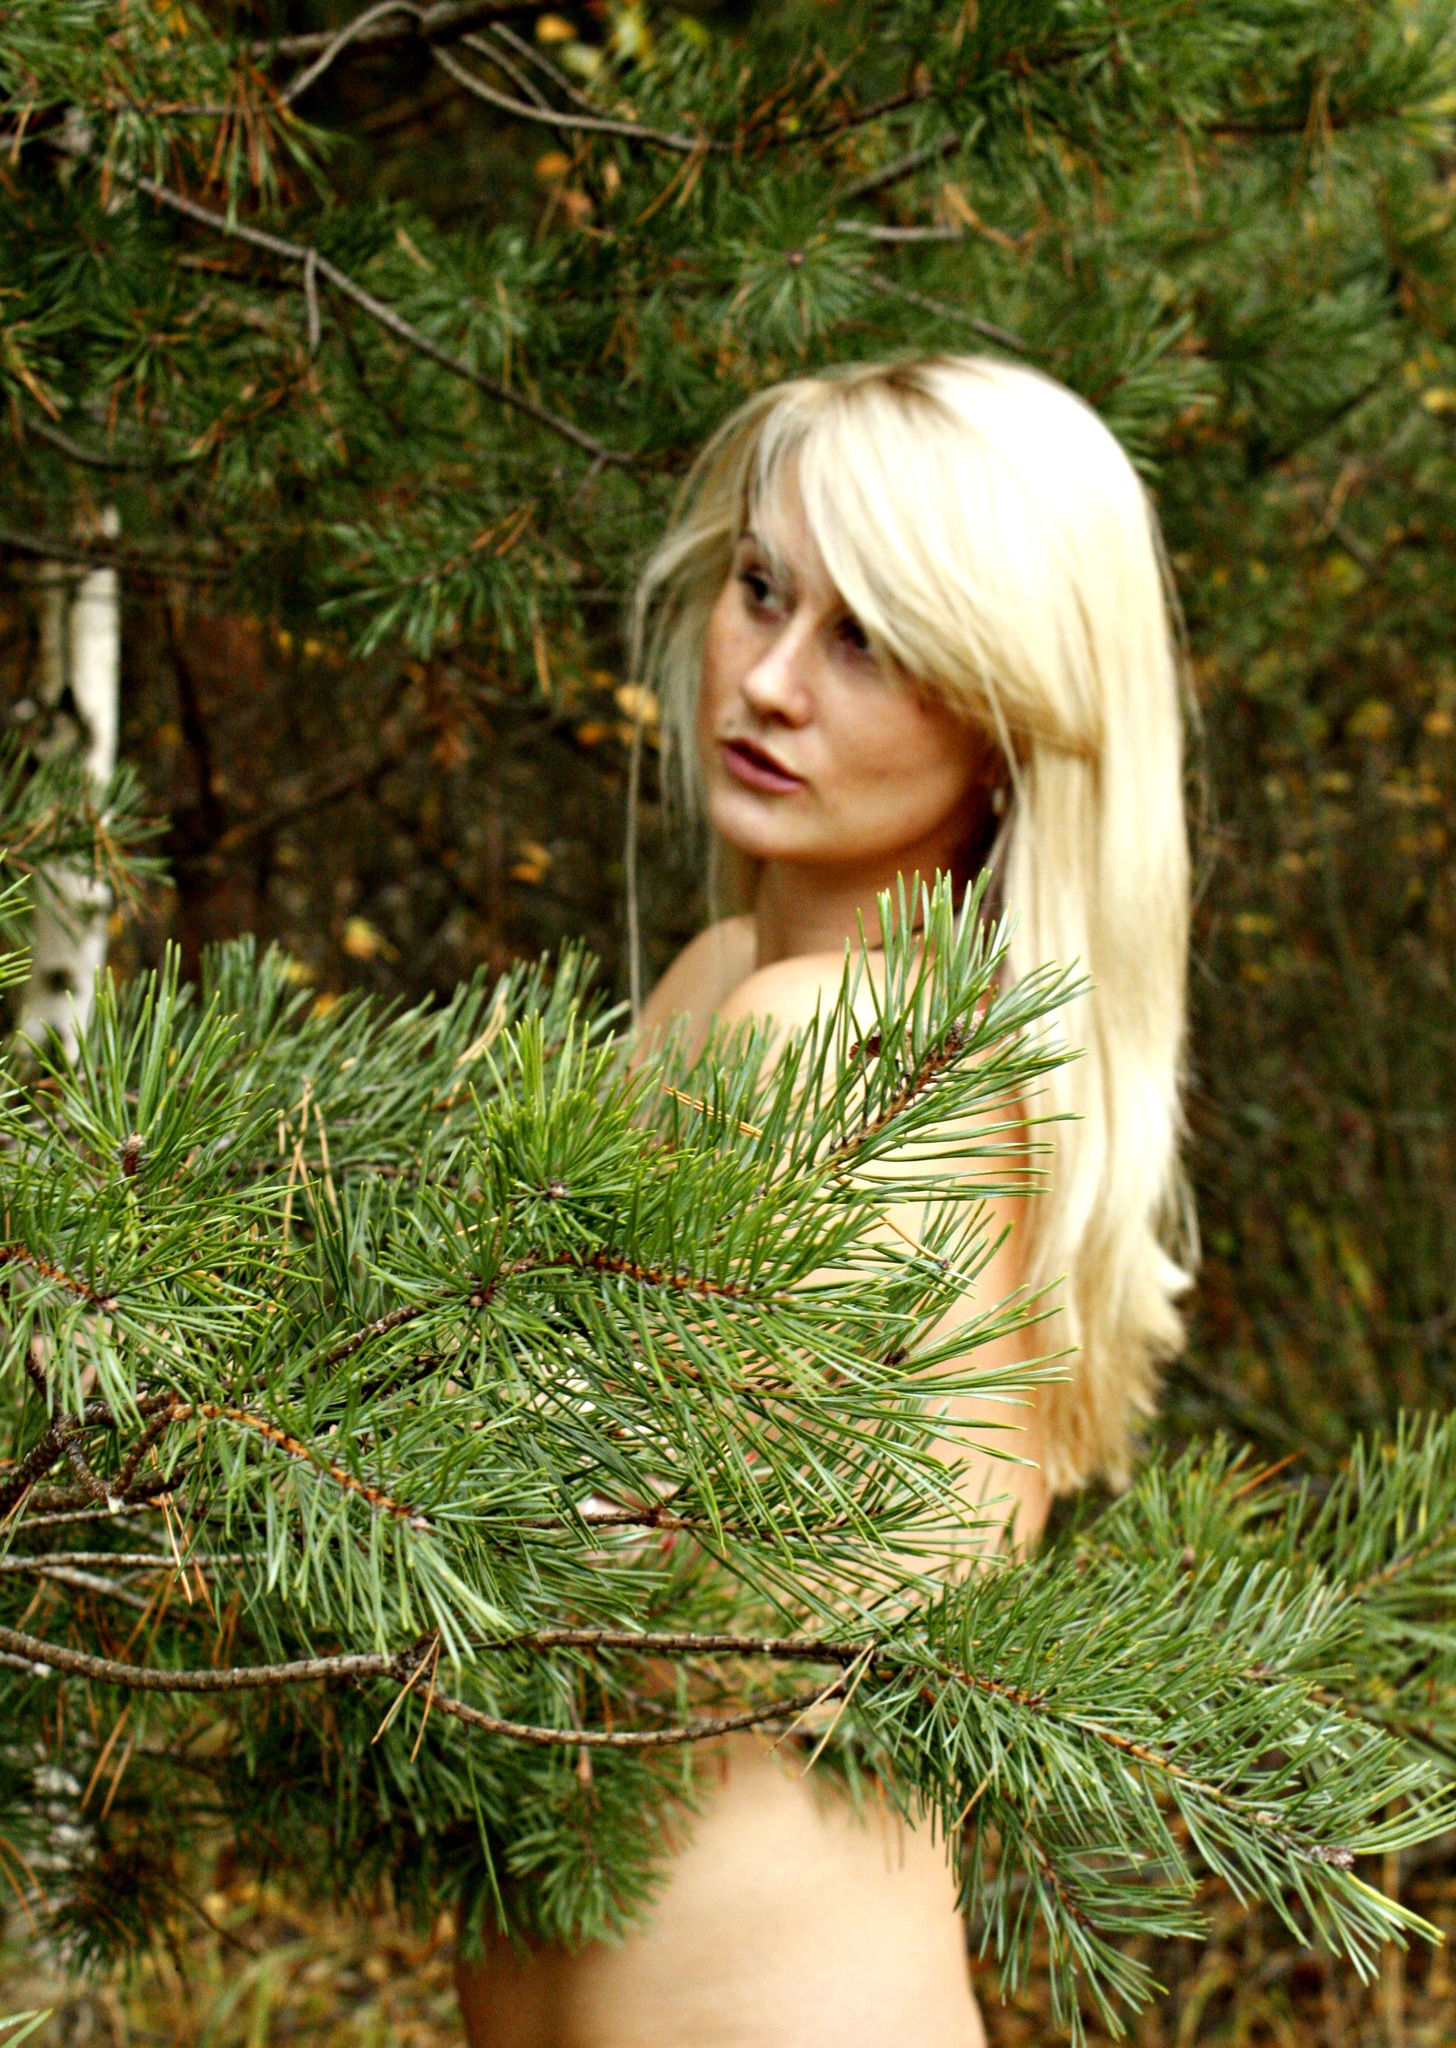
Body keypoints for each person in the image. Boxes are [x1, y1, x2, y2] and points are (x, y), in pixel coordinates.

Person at [455, 354, 1193, 2048]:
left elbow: (544, 1556)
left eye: (872, 642)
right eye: (762, 589)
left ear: (1010, 723)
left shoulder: (836, 1044)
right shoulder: (730, 980)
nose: (772, 681)